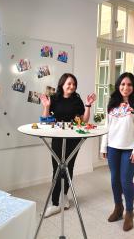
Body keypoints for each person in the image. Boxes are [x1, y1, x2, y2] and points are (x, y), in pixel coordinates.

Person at [40, 73, 96, 217]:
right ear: (62, 84)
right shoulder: (54, 98)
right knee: (57, 169)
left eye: (74, 84)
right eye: (69, 83)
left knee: (68, 168)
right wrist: (46, 106)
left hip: (73, 139)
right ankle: (54, 204)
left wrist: (88, 105)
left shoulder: (76, 100)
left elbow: (83, 121)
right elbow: (46, 120)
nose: (72, 86)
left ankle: (64, 196)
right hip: (58, 138)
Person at [100, 72, 134, 231]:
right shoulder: (112, 103)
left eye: (129, 84)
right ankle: (118, 208)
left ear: (133, 87)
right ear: (118, 85)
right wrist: (103, 146)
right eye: (122, 84)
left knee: (125, 181)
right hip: (113, 147)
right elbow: (106, 127)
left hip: (131, 149)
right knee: (114, 180)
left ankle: (129, 212)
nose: (125, 87)